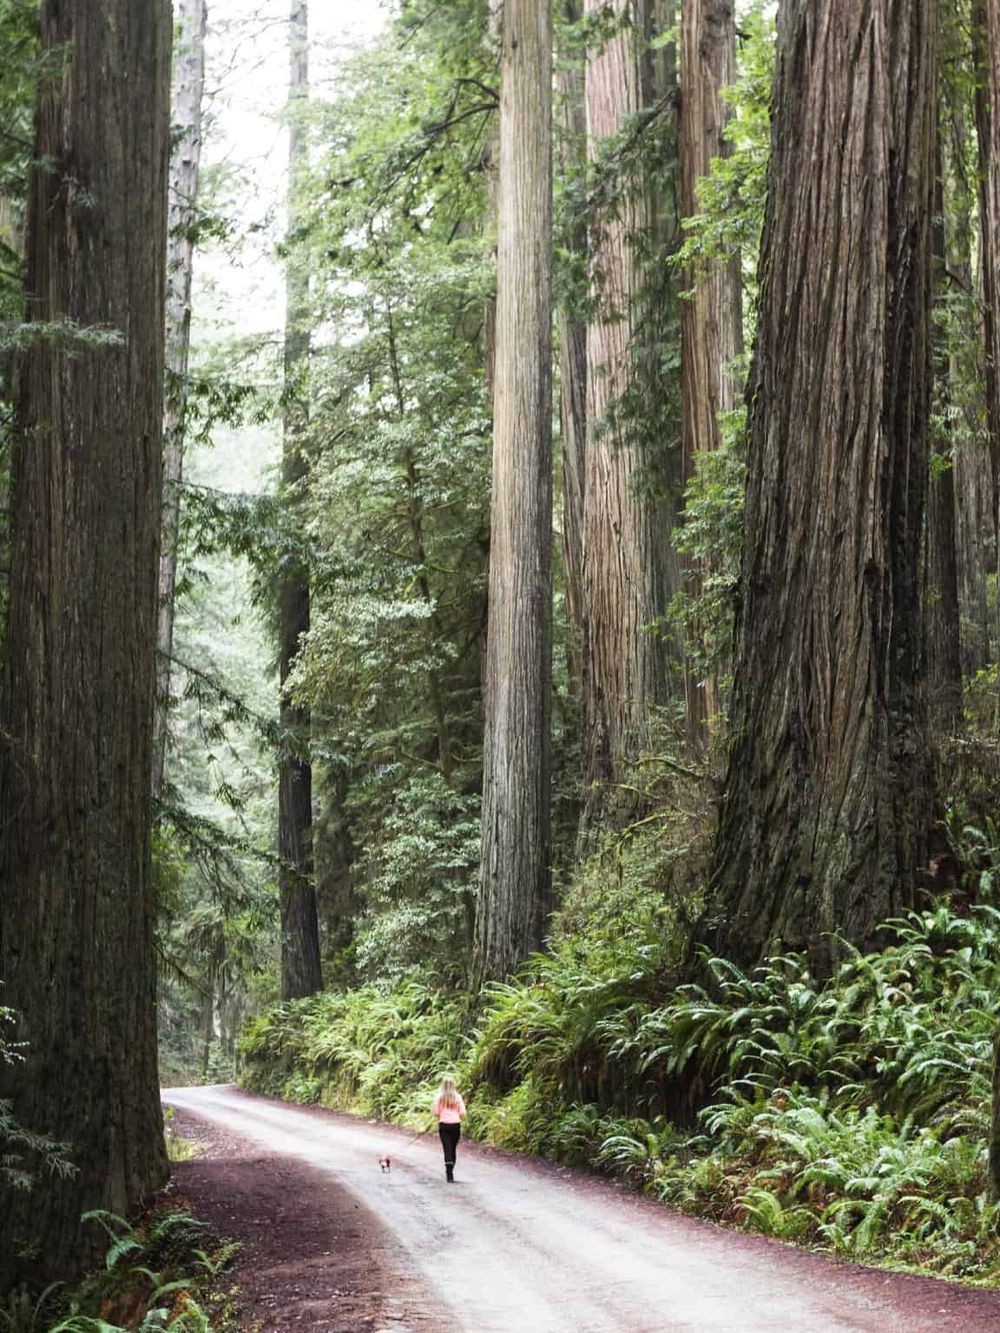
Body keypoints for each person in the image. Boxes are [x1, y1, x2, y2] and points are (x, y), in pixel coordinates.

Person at [433, 1075, 466, 1182]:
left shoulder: (439, 1097)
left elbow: (436, 1112)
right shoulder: (458, 1097)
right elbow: (463, 1113)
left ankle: (449, 1174)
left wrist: (442, 1115)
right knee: (452, 1148)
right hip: (456, 1125)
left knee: (447, 1148)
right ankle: (451, 1169)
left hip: (444, 1125)